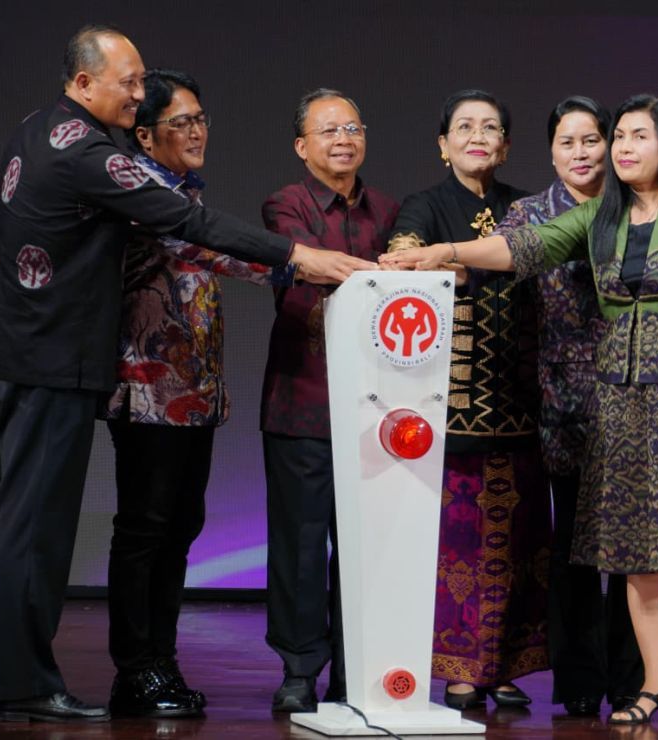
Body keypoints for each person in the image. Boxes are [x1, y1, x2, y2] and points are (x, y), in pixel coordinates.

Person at [0, 27, 372, 723]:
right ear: (84, 82)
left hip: (23, 357)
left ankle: (2, 674)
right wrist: (307, 259)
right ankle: (27, 681)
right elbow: (192, 226)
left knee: (15, 524)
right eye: (130, 84)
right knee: (44, 528)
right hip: (54, 365)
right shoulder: (95, 155)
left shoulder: (40, 129)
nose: (136, 94)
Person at [380, 93, 658, 729]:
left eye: (636, 136)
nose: (620, 148)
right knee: (636, 551)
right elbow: (521, 249)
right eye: (617, 136)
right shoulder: (600, 219)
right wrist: (441, 253)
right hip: (619, 404)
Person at [101, 69, 293, 718]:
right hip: (148, 395)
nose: (198, 130)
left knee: (180, 527)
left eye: (201, 118)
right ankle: (136, 670)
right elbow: (226, 254)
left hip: (195, 397)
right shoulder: (146, 197)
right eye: (182, 122)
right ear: (147, 137)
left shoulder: (180, 191)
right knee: (146, 528)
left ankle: (162, 662)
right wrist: (315, 261)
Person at [387, 89, 550, 710]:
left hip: (522, 402)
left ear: (505, 146)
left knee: (520, 543)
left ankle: (502, 665)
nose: (477, 136)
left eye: (491, 129)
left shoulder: (525, 207)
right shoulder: (425, 205)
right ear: (443, 144)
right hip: (451, 409)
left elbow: (542, 266)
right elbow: (402, 261)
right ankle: (460, 668)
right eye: (464, 127)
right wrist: (445, 265)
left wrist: (457, 265)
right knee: (457, 545)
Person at [496, 96, 643, 717]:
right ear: (550, 151)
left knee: (637, 551)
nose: (580, 153)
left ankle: (637, 679)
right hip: (565, 406)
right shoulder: (529, 214)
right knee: (576, 549)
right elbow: (498, 279)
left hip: (639, 401)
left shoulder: (642, 209)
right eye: (567, 142)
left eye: (591, 141)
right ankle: (580, 681)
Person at [261, 88, 399, 712]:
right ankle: (299, 668)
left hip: (378, 407)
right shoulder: (284, 205)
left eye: (353, 126)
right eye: (328, 129)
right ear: (301, 146)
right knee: (299, 540)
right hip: (304, 397)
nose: (344, 138)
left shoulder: (392, 210)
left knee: (369, 543)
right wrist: (378, 272)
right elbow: (309, 264)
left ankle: (357, 667)